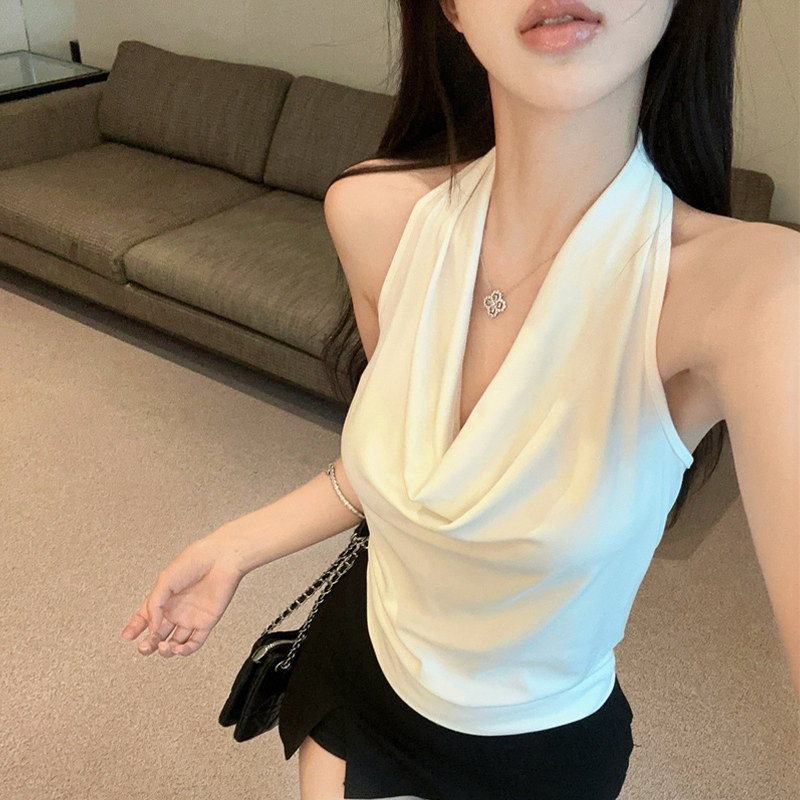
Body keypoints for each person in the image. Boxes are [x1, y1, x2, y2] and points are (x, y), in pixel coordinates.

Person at [121, 1, 800, 799]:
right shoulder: (374, 216)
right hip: (358, 674)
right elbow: (396, 472)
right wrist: (238, 543)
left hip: (535, 753)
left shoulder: (754, 294)